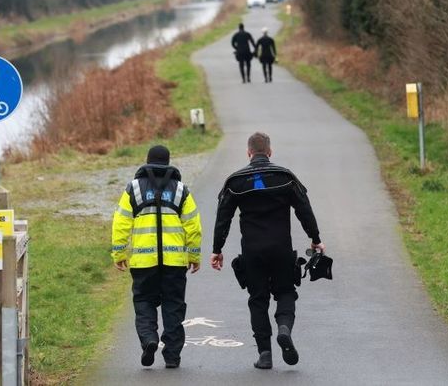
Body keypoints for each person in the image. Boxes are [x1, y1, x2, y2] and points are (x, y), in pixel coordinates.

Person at [211, 132, 325, 369]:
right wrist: (315, 239)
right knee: (285, 292)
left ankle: (265, 354)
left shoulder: (235, 182)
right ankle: (284, 327)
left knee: (258, 300)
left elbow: (223, 218)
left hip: (252, 252)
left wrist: (217, 249)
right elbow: (304, 209)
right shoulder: (285, 177)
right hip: (281, 248)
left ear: (249, 153)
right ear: (270, 152)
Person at [111, 145, 202, 369]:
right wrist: (194, 255)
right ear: (168, 162)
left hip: (144, 261)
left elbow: (121, 223)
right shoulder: (181, 190)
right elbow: (193, 225)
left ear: (148, 160)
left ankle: (149, 339)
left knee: (143, 302)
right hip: (174, 263)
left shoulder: (133, 189)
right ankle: (171, 356)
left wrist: (120, 253)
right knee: (173, 306)